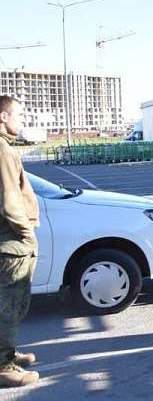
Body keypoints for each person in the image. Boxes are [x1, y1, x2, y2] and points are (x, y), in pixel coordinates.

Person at [0, 96, 39, 387]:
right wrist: (26, 234)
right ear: (3, 116)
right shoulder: (3, 151)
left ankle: (7, 353)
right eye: (20, 115)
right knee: (10, 306)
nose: (23, 121)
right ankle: (4, 366)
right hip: (10, 241)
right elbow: (10, 200)